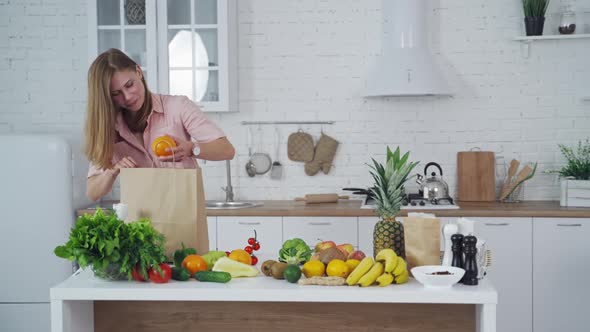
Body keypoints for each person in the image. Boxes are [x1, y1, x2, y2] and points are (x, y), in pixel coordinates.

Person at [84, 48, 235, 201]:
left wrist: (191, 149)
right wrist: (112, 171)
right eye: (116, 94)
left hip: (184, 216)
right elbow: (92, 192)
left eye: (129, 85)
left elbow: (227, 150)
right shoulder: (109, 126)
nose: (128, 97)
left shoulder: (178, 107)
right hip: (139, 221)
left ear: (138, 71)